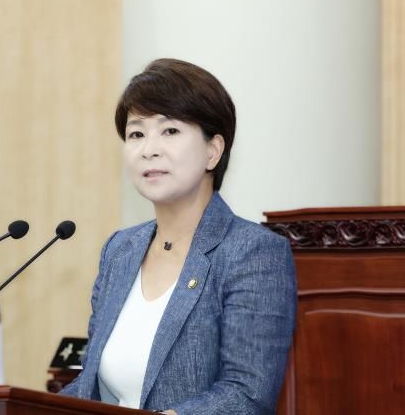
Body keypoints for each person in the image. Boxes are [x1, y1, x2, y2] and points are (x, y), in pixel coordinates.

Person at [60, 58, 297, 414]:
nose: (149, 149)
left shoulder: (252, 253)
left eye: (169, 131)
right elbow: (88, 385)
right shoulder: (120, 251)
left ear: (213, 151)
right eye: (136, 134)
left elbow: (246, 394)